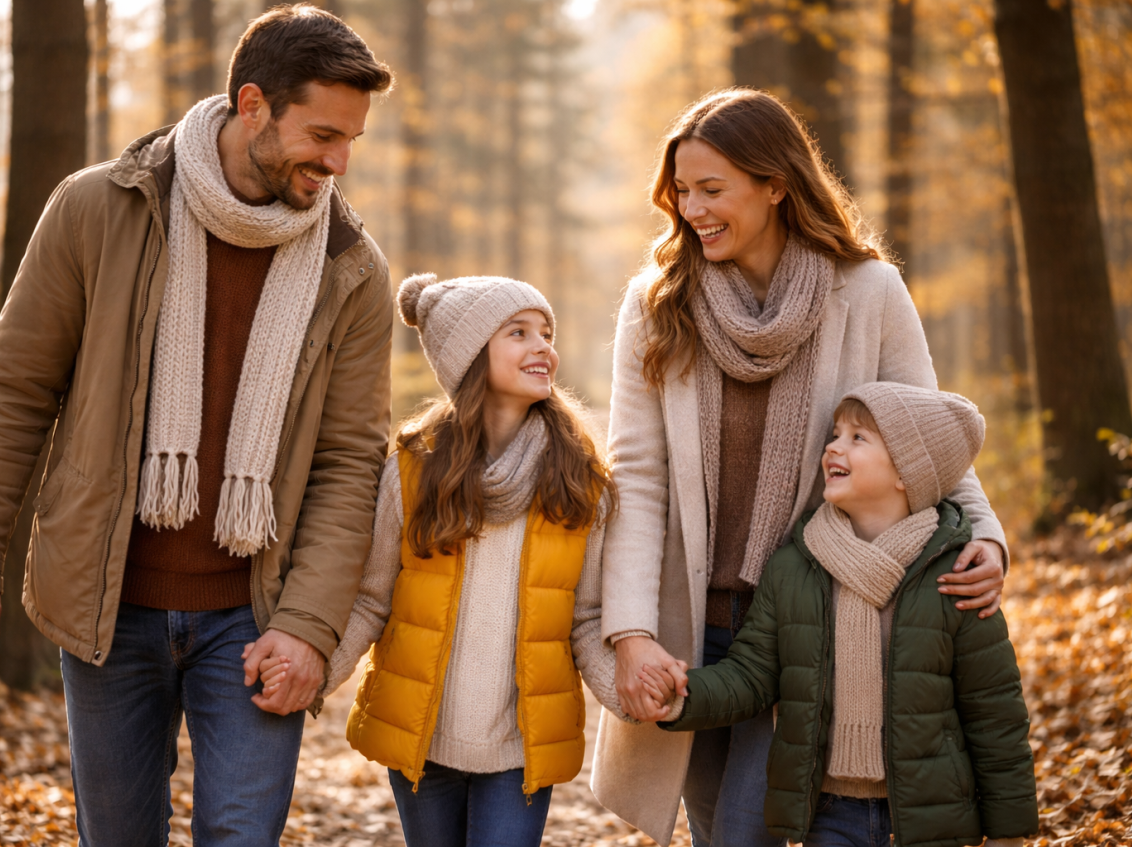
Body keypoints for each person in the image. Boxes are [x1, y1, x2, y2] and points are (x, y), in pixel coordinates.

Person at [0, 6, 394, 844]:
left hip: (254, 618)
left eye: (351, 140)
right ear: (252, 104)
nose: (338, 161)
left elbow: (350, 461)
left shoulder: (351, 268)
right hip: (110, 608)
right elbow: (14, 394)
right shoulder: (97, 209)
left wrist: (307, 627)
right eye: (324, 134)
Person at [591, 88, 1012, 847]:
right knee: (719, 826)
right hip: (692, 627)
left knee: (748, 831)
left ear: (776, 184)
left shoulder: (867, 291)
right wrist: (629, 630)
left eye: (713, 189)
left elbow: (925, 429)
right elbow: (637, 475)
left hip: (810, 618)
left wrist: (985, 533)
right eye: (681, 190)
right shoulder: (659, 304)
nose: (693, 209)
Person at [290, 272, 626, 847]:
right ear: (470, 356)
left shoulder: (578, 481)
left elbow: (587, 619)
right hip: (422, 737)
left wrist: (629, 694)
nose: (544, 346)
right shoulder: (413, 468)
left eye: (546, 332)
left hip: (521, 748)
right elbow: (373, 598)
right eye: (518, 333)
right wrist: (316, 674)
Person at [641, 383, 1038, 847]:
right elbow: (752, 674)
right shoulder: (797, 567)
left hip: (930, 815)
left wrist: (1009, 831)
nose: (832, 445)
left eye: (857, 438)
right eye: (835, 433)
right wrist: (681, 697)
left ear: (907, 473)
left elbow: (994, 715)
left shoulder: (956, 576)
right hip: (830, 814)